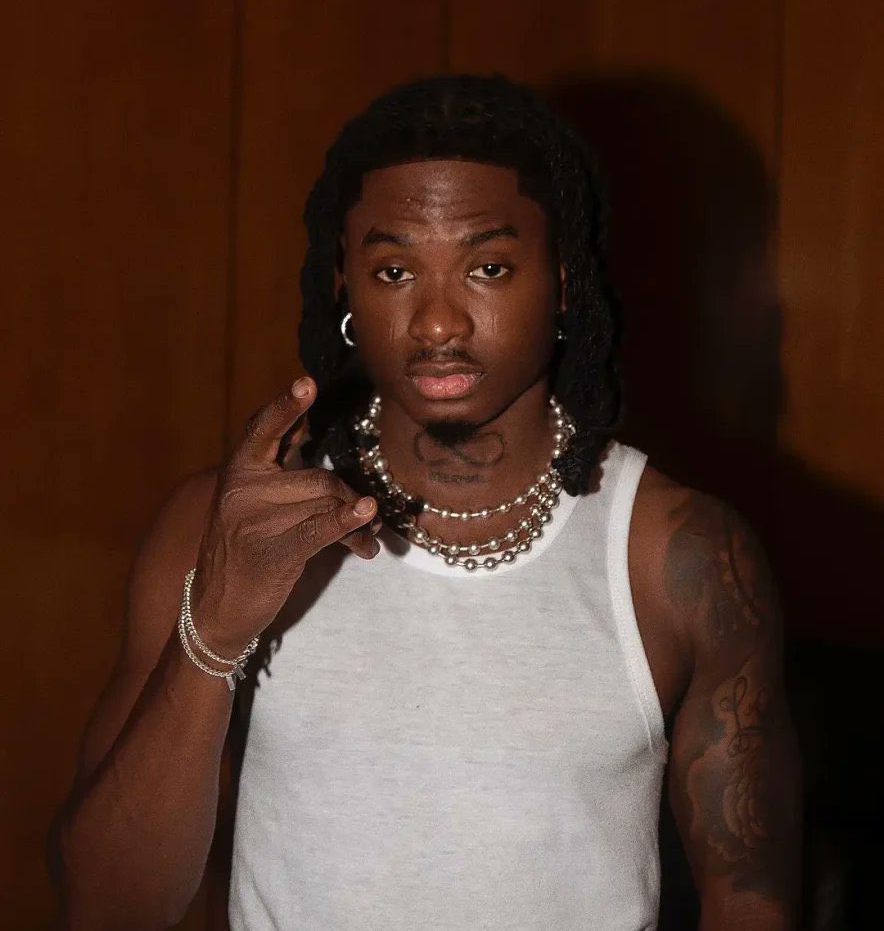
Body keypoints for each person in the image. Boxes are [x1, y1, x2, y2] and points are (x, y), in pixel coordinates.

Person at [53, 75, 800, 929]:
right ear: (345, 285)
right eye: (395, 270)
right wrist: (214, 631)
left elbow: (751, 904)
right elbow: (104, 904)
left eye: (488, 267)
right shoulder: (226, 527)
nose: (438, 323)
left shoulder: (679, 555)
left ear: (563, 282)